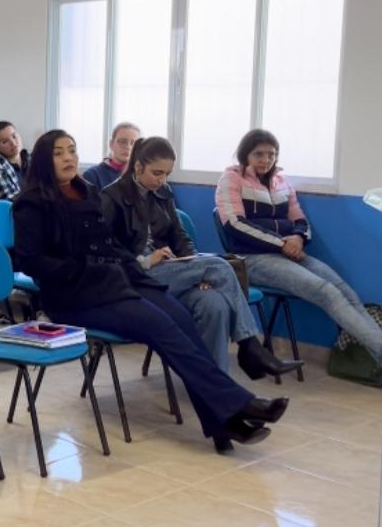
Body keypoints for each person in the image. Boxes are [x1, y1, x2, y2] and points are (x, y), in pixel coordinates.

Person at [15, 129, 289, 453]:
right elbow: (31, 262)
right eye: (59, 153)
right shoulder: (30, 203)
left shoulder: (86, 191)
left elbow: (109, 243)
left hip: (114, 281)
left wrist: (132, 268)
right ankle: (239, 407)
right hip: (73, 296)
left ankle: (221, 423)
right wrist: (90, 270)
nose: (68, 158)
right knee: (160, 326)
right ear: (45, 161)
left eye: (72, 150)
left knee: (182, 320)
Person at [101, 137, 302, 378]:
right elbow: (105, 252)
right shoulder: (110, 197)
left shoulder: (163, 192)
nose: (162, 180)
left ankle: (218, 386)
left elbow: (180, 236)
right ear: (138, 166)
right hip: (134, 276)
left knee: (213, 303)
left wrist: (196, 270)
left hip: (168, 271)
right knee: (218, 265)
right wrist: (144, 260)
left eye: (167, 174)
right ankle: (250, 347)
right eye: (157, 173)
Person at [217, 129, 382, 367]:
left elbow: (300, 220)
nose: (266, 160)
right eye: (259, 154)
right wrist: (282, 244)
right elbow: (235, 224)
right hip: (252, 258)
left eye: (271, 154)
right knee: (325, 292)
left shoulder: (281, 182)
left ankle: (378, 354)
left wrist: (298, 238)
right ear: (245, 155)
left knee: (345, 290)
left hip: (289, 252)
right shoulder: (231, 179)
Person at [83, 122, 140, 189]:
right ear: (111, 144)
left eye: (133, 143)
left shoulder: (141, 175)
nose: (128, 147)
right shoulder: (92, 175)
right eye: (122, 141)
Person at [0, 120, 30, 200]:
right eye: (5, 141)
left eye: (14, 136)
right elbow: (12, 201)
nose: (13, 143)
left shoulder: (31, 158)